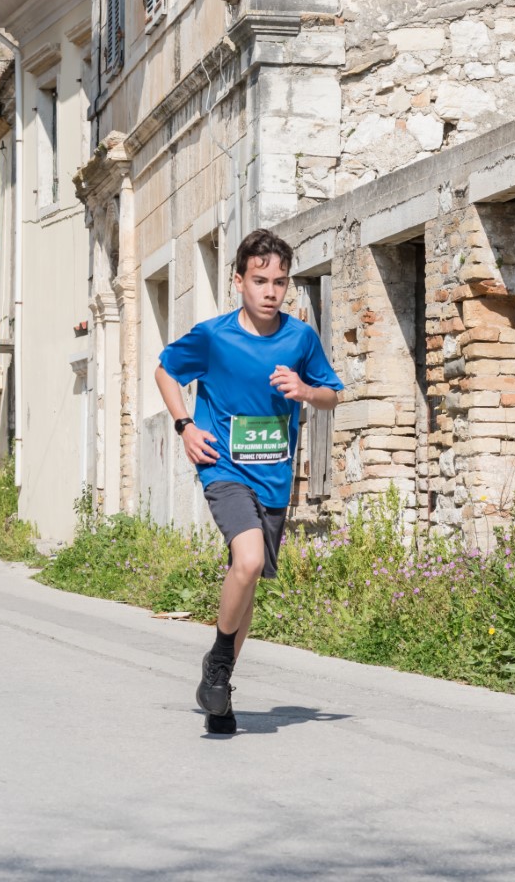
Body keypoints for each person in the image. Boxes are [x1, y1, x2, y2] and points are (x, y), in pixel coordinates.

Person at [155, 228, 342, 733]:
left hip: (273, 477)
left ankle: (219, 693)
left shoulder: (300, 338)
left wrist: (305, 389)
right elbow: (166, 371)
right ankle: (218, 663)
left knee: (247, 577)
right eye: (259, 281)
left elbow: (331, 395)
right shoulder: (214, 337)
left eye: (279, 282)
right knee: (250, 559)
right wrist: (185, 426)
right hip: (223, 466)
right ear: (238, 281)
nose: (270, 291)